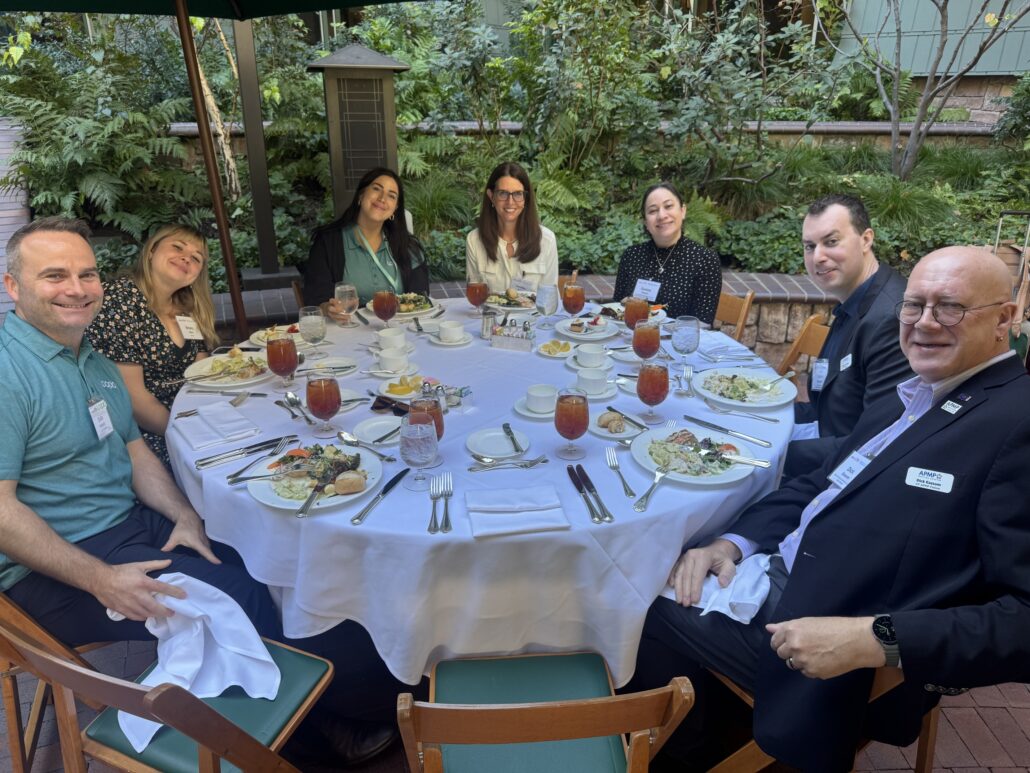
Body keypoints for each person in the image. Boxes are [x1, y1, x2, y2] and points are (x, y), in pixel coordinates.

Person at [0, 217, 406, 768]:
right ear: (13, 286)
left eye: (86, 274)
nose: (76, 288)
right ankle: (317, 740)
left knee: (264, 557)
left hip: (126, 525)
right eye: (54, 275)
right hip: (54, 569)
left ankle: (346, 694)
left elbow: (134, 451)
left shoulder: (89, 359)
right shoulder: (9, 371)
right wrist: (101, 580)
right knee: (241, 598)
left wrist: (184, 514)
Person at [633, 246, 1030, 771]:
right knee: (673, 553)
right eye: (914, 305)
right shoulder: (911, 394)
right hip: (775, 576)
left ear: (1004, 319)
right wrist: (731, 544)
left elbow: (1022, 619)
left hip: (832, 650)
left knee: (634, 595)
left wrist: (874, 640)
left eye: (950, 307)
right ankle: (708, 729)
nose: (924, 323)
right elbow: (820, 484)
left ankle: (677, 754)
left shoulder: (1015, 423)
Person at [785, 194, 912, 478]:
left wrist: (774, 455)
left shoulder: (891, 318)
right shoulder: (856, 301)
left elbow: (876, 442)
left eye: (831, 242)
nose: (817, 257)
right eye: (809, 246)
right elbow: (825, 408)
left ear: (866, 239)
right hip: (826, 439)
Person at [87, 224, 218, 466]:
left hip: (191, 419)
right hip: (146, 436)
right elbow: (133, 399)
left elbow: (202, 375)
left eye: (196, 258)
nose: (186, 258)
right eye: (177, 247)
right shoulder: (119, 299)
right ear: (151, 251)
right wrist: (187, 434)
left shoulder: (187, 307)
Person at [302, 167, 429, 323]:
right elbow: (315, 297)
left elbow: (421, 298)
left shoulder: (408, 246)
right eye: (376, 189)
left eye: (391, 196)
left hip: (398, 330)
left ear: (395, 208)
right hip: (348, 330)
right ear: (361, 195)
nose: (382, 198)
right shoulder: (328, 242)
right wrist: (329, 308)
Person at [611, 182, 721, 325]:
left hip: (680, 338)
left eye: (668, 206)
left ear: (683, 211)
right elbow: (616, 308)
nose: (662, 215)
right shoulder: (632, 255)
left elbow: (702, 323)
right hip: (634, 336)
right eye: (653, 211)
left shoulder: (704, 259)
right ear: (645, 222)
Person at [465, 161, 558, 294]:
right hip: (489, 309)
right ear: (491, 196)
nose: (510, 202)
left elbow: (549, 298)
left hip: (534, 309)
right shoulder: (474, 240)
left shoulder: (546, 240)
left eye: (518, 194)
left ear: (526, 198)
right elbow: (475, 295)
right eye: (503, 193)